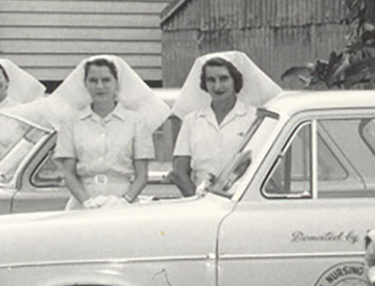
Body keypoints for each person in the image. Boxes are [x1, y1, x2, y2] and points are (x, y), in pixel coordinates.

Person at [50, 55, 169, 209]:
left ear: (116, 83)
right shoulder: (71, 122)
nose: (100, 86)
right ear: (85, 84)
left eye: (106, 80)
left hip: (123, 200)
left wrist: (125, 200)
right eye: (93, 80)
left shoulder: (136, 122)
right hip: (82, 200)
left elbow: (141, 176)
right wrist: (86, 201)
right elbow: (68, 173)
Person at [171, 52, 281, 196]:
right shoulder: (192, 121)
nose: (218, 86)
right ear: (204, 84)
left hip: (242, 202)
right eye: (211, 80)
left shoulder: (255, 118)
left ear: (235, 81)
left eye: (224, 79)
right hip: (200, 203)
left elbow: (266, 166)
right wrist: (198, 201)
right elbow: (179, 172)